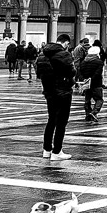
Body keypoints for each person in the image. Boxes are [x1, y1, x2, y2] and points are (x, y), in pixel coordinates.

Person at [35, 34, 75, 162]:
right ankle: (57, 151)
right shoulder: (63, 54)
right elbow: (72, 71)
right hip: (63, 91)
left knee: (51, 120)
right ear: (65, 43)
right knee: (62, 122)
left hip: (49, 91)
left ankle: (47, 150)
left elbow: (38, 73)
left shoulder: (42, 54)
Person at [75, 36, 106, 123]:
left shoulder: (84, 62)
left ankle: (88, 114)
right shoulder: (99, 62)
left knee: (87, 100)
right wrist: (91, 79)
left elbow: (80, 72)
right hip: (96, 83)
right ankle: (94, 112)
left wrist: (84, 80)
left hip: (86, 83)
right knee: (99, 99)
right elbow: (98, 73)